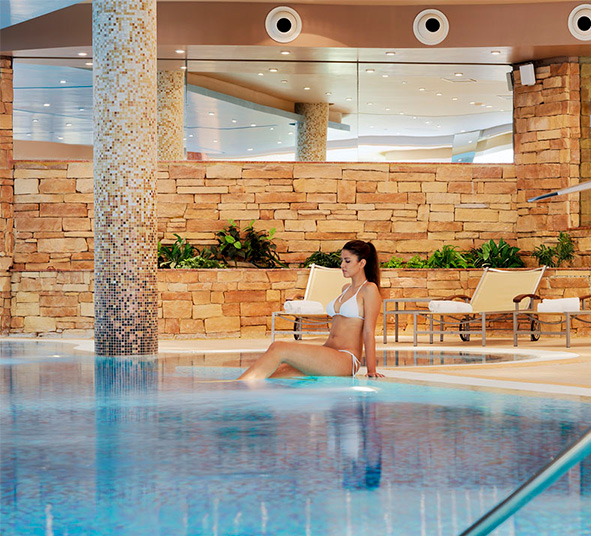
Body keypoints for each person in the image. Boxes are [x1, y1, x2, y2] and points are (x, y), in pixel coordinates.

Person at [238, 240, 385, 380]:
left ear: (362, 263)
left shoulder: (369, 289)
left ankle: (236, 386)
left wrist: (371, 370)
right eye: (342, 260)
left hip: (346, 358)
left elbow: (368, 331)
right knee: (275, 374)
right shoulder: (345, 288)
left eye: (347, 261)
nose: (342, 265)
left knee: (278, 347)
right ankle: (241, 387)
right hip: (328, 352)